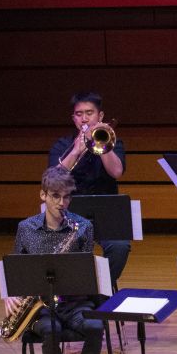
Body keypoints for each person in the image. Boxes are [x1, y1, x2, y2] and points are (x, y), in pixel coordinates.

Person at [4, 167, 103, 354]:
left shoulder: (82, 227)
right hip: (40, 307)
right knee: (51, 331)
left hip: (73, 302)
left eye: (67, 197)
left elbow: (87, 273)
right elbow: (14, 269)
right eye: (55, 196)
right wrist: (9, 296)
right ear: (43, 195)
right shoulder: (26, 228)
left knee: (95, 327)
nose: (62, 203)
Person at [48, 91, 130, 288]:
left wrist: (101, 145)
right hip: (70, 215)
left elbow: (116, 172)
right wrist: (76, 151)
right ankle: (81, 291)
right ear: (73, 118)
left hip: (106, 215)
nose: (84, 118)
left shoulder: (113, 142)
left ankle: (100, 289)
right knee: (69, 249)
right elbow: (53, 180)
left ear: (100, 116)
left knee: (120, 247)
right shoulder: (62, 145)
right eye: (79, 114)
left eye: (89, 113)